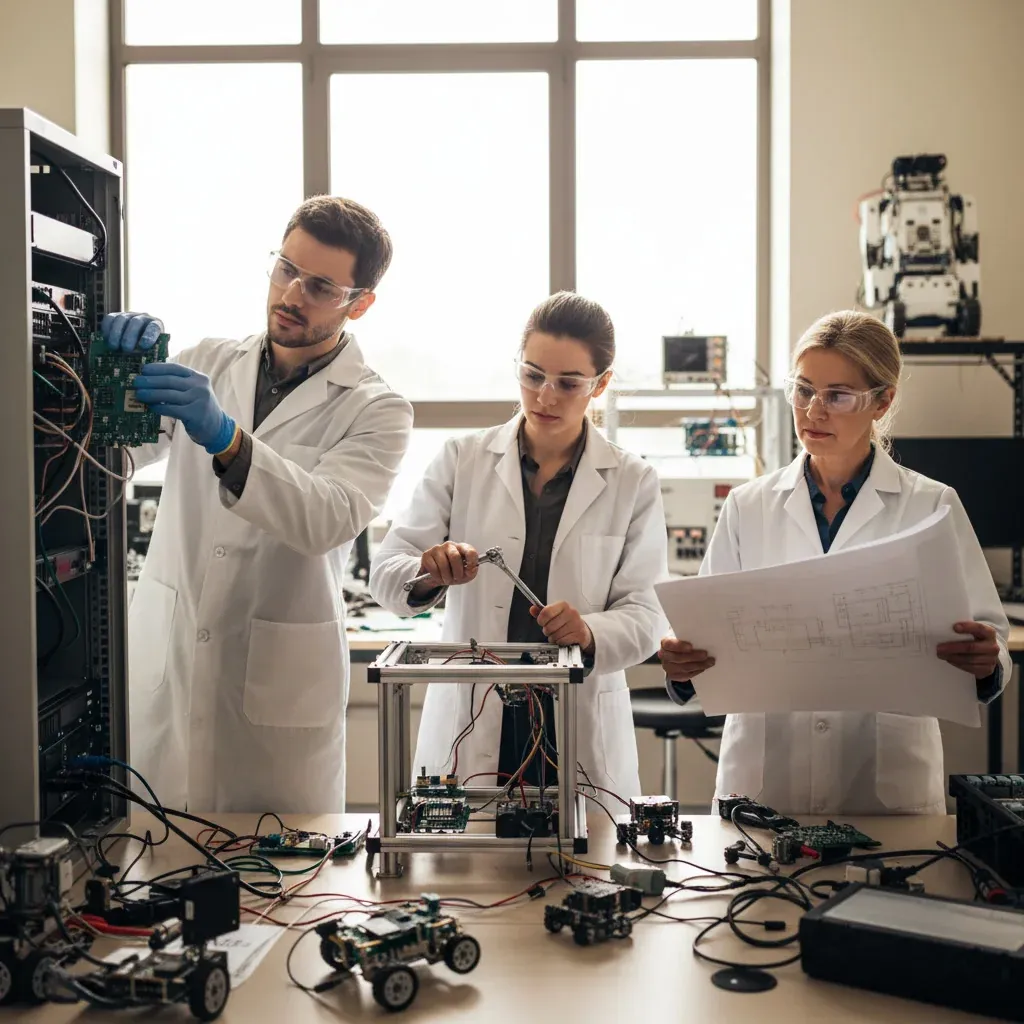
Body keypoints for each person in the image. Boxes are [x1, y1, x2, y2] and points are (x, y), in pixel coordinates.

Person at [103, 196, 413, 813]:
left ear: (360, 303)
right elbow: (111, 464)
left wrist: (226, 437)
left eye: (320, 285)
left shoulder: (378, 409)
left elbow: (324, 518)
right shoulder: (206, 363)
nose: (292, 294)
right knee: (147, 871)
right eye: (285, 269)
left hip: (277, 703)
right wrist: (107, 380)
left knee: (281, 885)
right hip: (171, 667)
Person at [659, 310, 1010, 816]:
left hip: (887, 789)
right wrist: (682, 666)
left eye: (837, 395)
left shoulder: (932, 505)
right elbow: (704, 642)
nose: (813, 410)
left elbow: (991, 639)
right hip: (763, 787)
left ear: (883, 400)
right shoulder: (748, 506)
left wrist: (986, 659)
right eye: (802, 391)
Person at [370, 292, 668, 799]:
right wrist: (429, 571)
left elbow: (646, 615)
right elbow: (387, 574)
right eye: (532, 375)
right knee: (468, 871)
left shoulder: (632, 480)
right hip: (475, 715)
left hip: (573, 719)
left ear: (601, 384)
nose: (546, 397)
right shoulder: (461, 459)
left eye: (569, 383)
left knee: (580, 868)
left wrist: (590, 631)